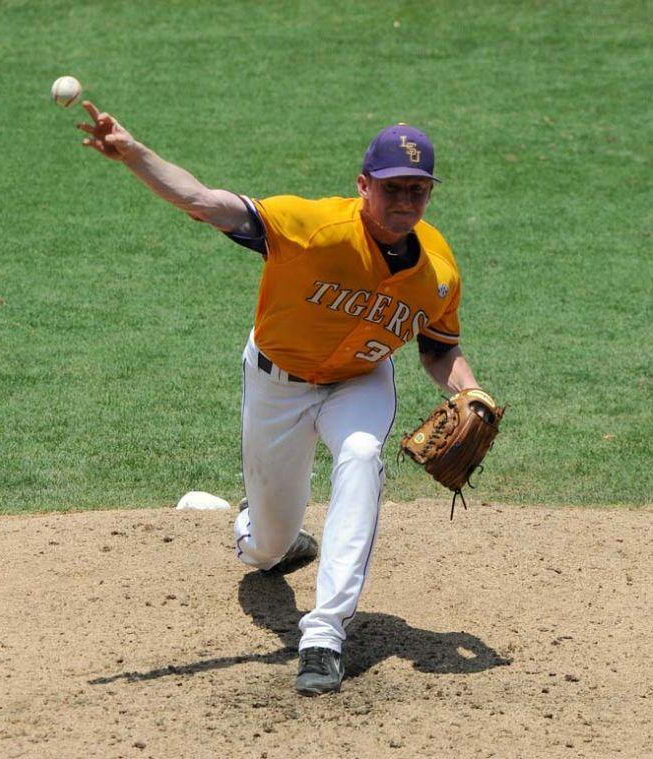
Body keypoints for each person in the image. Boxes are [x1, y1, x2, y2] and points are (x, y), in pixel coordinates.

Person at [78, 103, 482, 696]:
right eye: (395, 188)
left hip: (360, 382)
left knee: (364, 455)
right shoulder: (310, 227)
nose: (407, 202)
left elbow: (438, 349)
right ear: (363, 186)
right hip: (277, 382)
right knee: (267, 545)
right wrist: (135, 154)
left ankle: (324, 633)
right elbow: (206, 201)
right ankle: (264, 535)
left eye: (419, 191)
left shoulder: (439, 268)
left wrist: (468, 390)